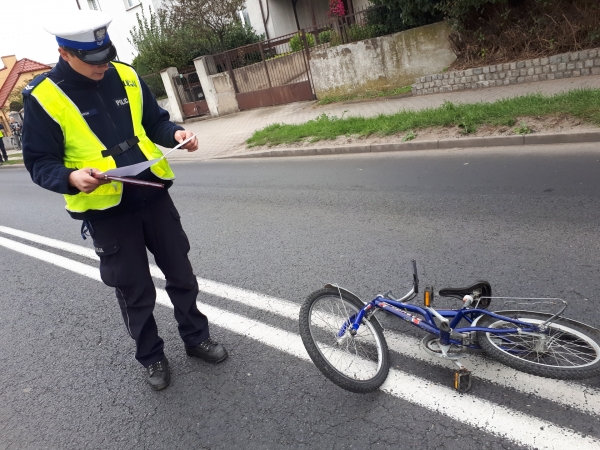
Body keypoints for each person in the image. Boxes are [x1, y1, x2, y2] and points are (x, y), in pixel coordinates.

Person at [22, 10, 227, 391]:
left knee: (181, 274)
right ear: (65, 53)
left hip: (151, 194)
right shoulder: (43, 97)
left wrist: (177, 133)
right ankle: (151, 357)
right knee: (135, 289)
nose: (102, 66)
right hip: (106, 209)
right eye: (91, 60)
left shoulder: (127, 75)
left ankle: (196, 339)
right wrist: (69, 177)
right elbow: (38, 162)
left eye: (106, 56)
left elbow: (155, 123)